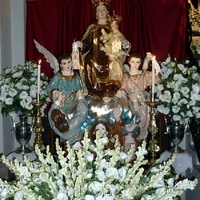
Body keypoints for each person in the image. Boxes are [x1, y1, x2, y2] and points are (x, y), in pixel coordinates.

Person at [116, 52, 163, 142]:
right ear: (129, 62)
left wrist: (152, 61)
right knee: (133, 120)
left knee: (143, 119)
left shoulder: (144, 74)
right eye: (133, 62)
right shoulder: (126, 76)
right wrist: (121, 92)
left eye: (137, 62)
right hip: (131, 101)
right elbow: (123, 87)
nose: (135, 64)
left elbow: (158, 77)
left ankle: (141, 140)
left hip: (142, 100)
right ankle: (133, 140)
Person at [80, 0, 119, 97]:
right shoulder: (92, 28)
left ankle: (110, 89)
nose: (101, 12)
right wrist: (80, 45)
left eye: (103, 9)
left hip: (109, 54)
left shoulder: (112, 27)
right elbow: (86, 43)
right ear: (96, 14)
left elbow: (118, 41)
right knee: (88, 61)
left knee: (113, 63)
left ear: (107, 12)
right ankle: (93, 91)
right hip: (94, 54)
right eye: (99, 10)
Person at [100, 12, 131, 83]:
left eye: (113, 26)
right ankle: (111, 80)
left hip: (117, 54)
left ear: (117, 26)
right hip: (110, 53)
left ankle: (117, 80)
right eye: (111, 26)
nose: (112, 28)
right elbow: (106, 37)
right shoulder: (111, 34)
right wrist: (104, 33)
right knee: (107, 44)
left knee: (116, 65)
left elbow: (125, 43)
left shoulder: (120, 35)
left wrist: (122, 43)